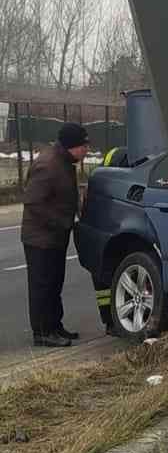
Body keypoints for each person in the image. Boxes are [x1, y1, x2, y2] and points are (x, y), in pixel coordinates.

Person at [21, 122, 90, 347]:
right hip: (40, 239)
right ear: (72, 145)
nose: (87, 150)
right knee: (42, 286)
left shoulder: (65, 162)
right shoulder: (48, 164)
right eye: (84, 145)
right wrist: (62, 222)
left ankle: (55, 326)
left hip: (56, 237)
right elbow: (33, 202)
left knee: (54, 284)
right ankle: (42, 332)